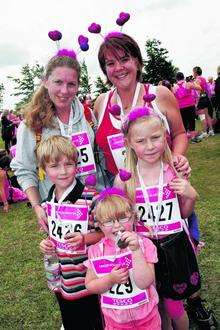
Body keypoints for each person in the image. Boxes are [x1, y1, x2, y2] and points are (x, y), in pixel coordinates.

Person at [115, 106, 201, 329]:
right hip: (143, 252)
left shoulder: (174, 170)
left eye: (156, 138)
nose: (150, 146)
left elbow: (183, 213)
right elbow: (121, 219)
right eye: (141, 141)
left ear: (165, 136)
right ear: (129, 143)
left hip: (173, 248)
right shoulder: (124, 180)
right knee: (154, 305)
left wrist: (190, 196)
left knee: (174, 307)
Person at [11, 51, 95, 228]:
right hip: (58, 212)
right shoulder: (32, 124)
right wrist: (36, 206)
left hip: (92, 207)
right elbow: (24, 168)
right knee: (65, 254)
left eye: (71, 84)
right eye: (58, 82)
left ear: (78, 86)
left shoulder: (86, 115)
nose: (64, 91)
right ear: (46, 81)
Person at [94, 32, 189, 185]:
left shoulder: (160, 95)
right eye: (110, 63)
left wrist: (176, 158)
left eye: (125, 59)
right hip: (123, 193)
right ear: (105, 69)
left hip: (163, 187)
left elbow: (179, 133)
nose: (118, 68)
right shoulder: (101, 103)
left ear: (137, 62)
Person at [37, 135, 103, 330]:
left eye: (69, 164)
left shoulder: (92, 198)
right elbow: (54, 233)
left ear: (77, 165)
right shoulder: (49, 199)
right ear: (44, 169)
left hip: (86, 277)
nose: (63, 171)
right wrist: (47, 244)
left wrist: (84, 238)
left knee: (92, 321)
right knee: (70, 316)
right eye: (54, 166)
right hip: (61, 274)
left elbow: (105, 234)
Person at [84, 187, 161, 329]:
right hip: (115, 323)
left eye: (123, 218)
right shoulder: (96, 251)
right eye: (109, 221)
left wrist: (136, 251)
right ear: (100, 225)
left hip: (147, 319)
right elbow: (90, 285)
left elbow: (145, 282)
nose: (117, 225)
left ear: (133, 217)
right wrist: (110, 279)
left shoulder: (145, 245)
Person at [173, 72, 201, 142]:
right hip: (190, 105)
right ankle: (193, 138)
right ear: (183, 77)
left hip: (181, 107)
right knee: (192, 121)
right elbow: (199, 88)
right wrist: (193, 83)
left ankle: (184, 140)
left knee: (184, 123)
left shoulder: (174, 87)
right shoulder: (188, 84)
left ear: (176, 78)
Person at [192, 66, 214, 137]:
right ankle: (211, 130)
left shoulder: (197, 80)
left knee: (202, 116)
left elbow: (198, 91)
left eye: (193, 72)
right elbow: (208, 90)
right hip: (206, 97)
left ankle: (205, 132)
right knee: (207, 115)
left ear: (195, 72)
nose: (192, 73)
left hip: (200, 98)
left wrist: (196, 102)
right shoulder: (204, 78)